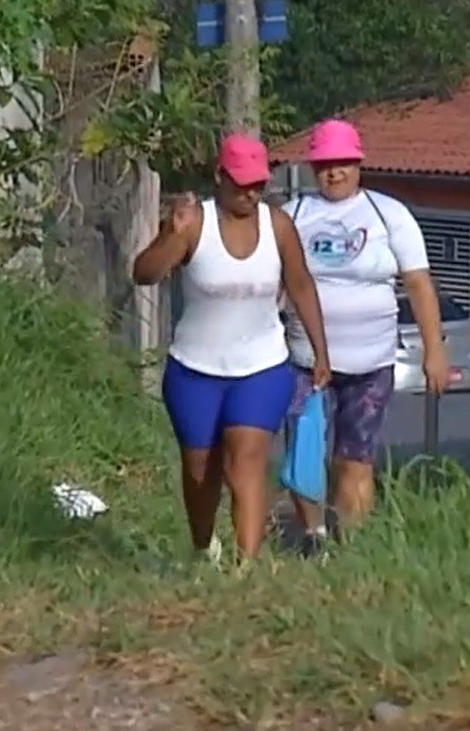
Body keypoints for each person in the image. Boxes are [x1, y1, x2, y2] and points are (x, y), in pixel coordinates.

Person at [132, 132, 331, 566]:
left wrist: (320, 350)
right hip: (194, 369)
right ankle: (204, 547)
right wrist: (171, 234)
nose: (250, 192)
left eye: (258, 183)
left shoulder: (277, 226)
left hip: (262, 367)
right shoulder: (195, 223)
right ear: (219, 177)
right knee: (201, 468)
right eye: (241, 182)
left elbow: (300, 284)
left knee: (246, 461)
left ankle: (246, 569)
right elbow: (143, 274)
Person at [281, 118, 449, 557]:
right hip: (305, 359)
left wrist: (435, 351)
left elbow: (418, 283)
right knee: (304, 449)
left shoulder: (387, 215)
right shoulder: (295, 215)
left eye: (342, 163)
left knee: (354, 457)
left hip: (370, 362)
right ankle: (313, 538)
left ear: (358, 164)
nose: (333, 173)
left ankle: (351, 546)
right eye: (323, 165)